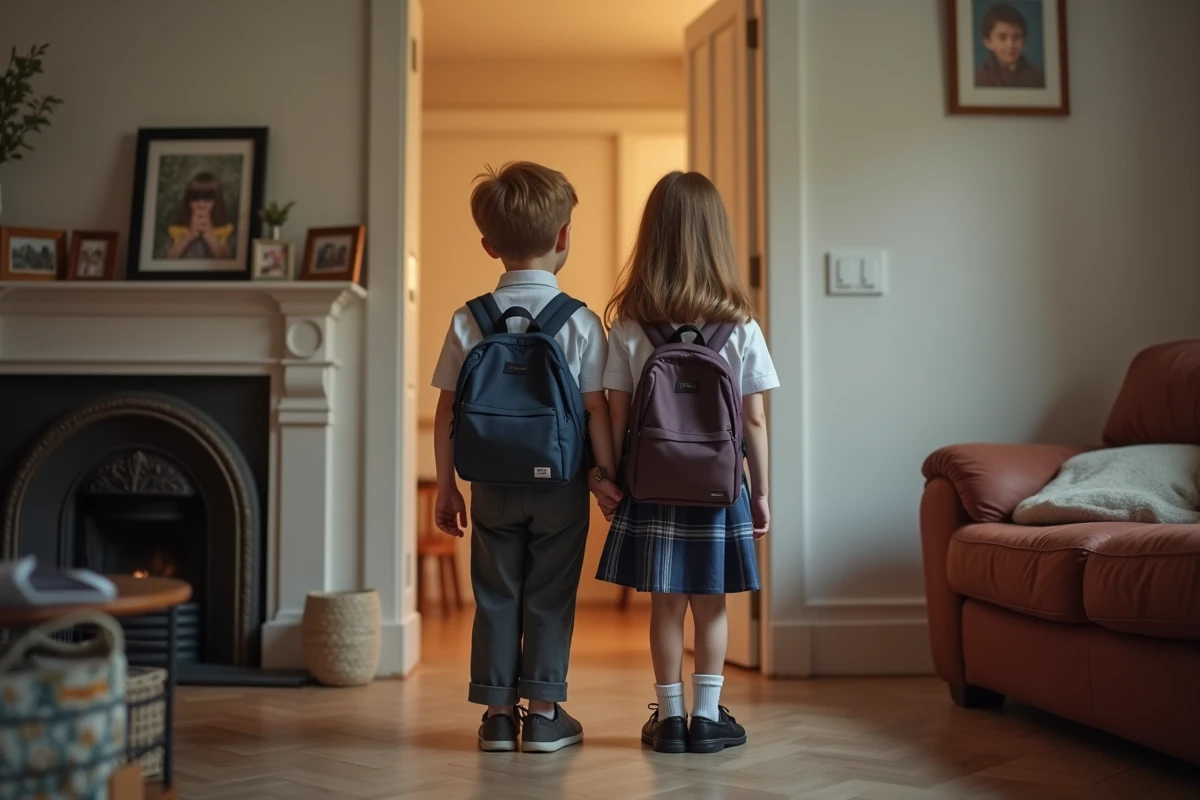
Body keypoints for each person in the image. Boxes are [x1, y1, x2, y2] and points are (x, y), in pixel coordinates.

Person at [430, 161, 623, 753]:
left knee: (494, 594)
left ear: (489, 245)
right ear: (564, 235)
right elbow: (596, 411)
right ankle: (542, 715)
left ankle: (494, 715)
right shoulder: (582, 322)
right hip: (560, 484)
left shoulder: (470, 319)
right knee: (549, 595)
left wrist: (445, 487)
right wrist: (604, 477)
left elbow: (445, 412)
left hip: (489, 483)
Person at [596, 171, 778, 755]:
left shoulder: (629, 322)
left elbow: (615, 414)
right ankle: (707, 715)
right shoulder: (741, 325)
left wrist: (613, 477)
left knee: (666, 605)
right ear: (717, 239)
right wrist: (761, 492)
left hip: (652, 482)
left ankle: (669, 717)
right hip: (720, 488)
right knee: (711, 602)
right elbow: (753, 422)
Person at [165, 171, 234, 259]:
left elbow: (228, 260)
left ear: (217, 202)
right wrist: (190, 234)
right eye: (195, 199)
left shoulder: (226, 229)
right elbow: (168, 258)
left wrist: (209, 234)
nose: (201, 204)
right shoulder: (177, 230)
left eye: (207, 199)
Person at [975, 2, 1045, 88]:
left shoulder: (1038, 78)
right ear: (988, 42)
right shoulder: (979, 79)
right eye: (1002, 37)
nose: (1010, 45)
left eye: (1016, 37)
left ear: (1024, 40)